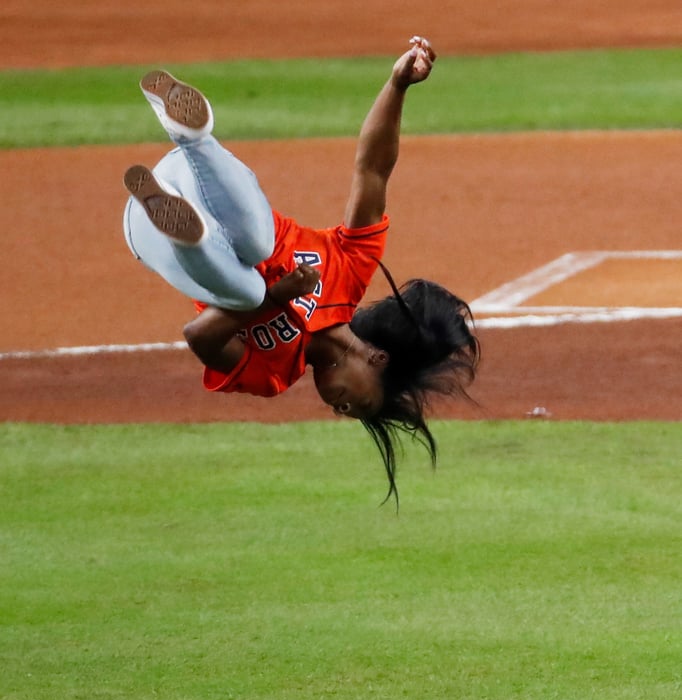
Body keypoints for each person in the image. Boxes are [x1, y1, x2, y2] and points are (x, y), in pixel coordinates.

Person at [123, 37, 480, 504]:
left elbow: (199, 337)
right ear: (378, 360)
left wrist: (274, 299)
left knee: (249, 291)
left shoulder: (273, 375)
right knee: (255, 242)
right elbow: (372, 170)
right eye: (364, 404)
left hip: (152, 235)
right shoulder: (349, 271)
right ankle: (192, 133)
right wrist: (397, 85)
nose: (344, 409)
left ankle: (183, 226)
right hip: (202, 180)